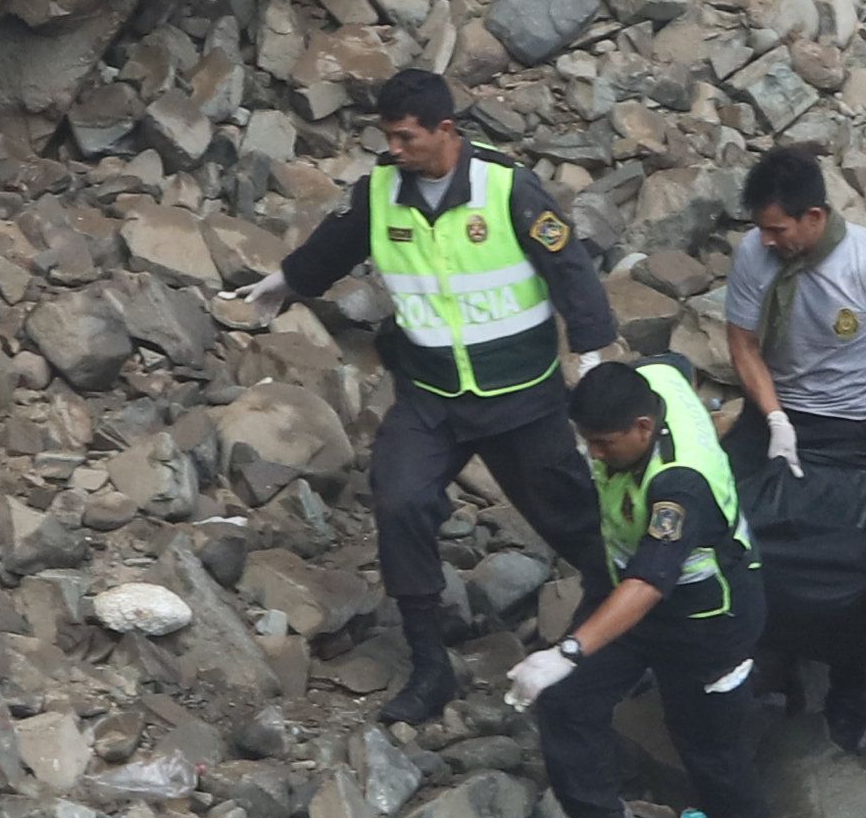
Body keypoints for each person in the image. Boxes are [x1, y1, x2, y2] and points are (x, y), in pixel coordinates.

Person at [237, 67, 616, 724]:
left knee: (575, 519)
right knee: (401, 499)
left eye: (406, 136)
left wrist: (592, 348)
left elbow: (570, 268)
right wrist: (287, 281)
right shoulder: (381, 191)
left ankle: (617, 630)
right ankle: (429, 665)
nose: (394, 149)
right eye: (387, 136)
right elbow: (335, 242)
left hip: (522, 397)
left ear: (446, 129)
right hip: (432, 397)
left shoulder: (507, 188)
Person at [508, 361, 781, 818]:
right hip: (625, 591)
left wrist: (570, 649)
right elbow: (668, 365)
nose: (596, 456)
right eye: (588, 443)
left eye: (604, 445)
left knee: (709, 748)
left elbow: (654, 580)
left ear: (641, 426)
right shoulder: (655, 381)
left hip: (707, 617)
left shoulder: (679, 485)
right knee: (566, 705)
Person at [722, 146, 866, 748]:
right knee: (730, 523)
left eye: (779, 229)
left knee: (853, 556)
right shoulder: (756, 256)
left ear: (814, 216)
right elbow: (743, 342)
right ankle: (760, 647)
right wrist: (774, 417)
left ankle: (848, 680)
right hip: (777, 410)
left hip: (851, 420)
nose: (769, 241)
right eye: (762, 229)